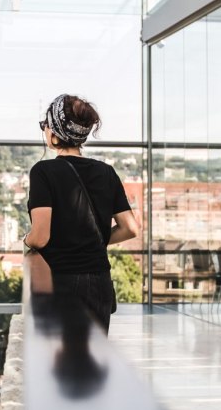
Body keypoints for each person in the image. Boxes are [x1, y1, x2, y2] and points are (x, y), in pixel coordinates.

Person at [23, 94, 140, 331]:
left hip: (60, 281)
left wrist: (26, 241)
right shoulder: (106, 172)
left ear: (55, 132)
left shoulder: (43, 172)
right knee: (92, 354)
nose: (44, 130)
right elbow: (130, 228)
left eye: (45, 125)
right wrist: (95, 240)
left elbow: (41, 236)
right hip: (99, 282)